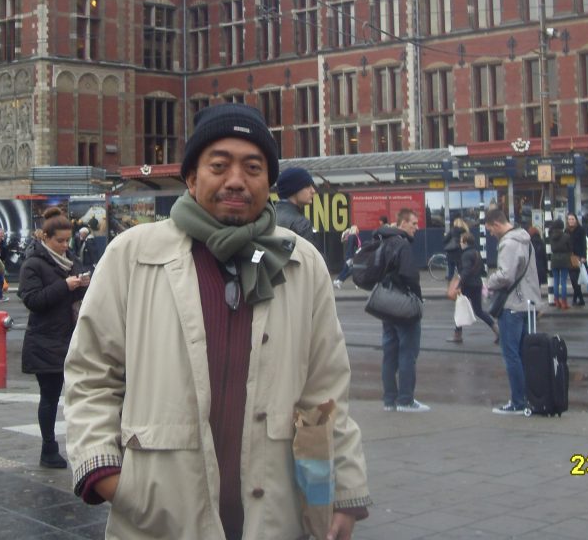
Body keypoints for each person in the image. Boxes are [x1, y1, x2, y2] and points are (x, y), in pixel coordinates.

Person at [64, 103, 371, 539]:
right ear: (192, 178)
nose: (236, 180)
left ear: (268, 181)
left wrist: (343, 492)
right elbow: (91, 373)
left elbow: (326, 391)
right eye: (219, 165)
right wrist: (109, 475)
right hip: (160, 518)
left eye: (253, 167)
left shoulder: (301, 262)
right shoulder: (133, 255)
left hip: (276, 514)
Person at [18, 207, 89, 469]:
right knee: (49, 396)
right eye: (60, 241)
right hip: (45, 341)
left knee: (82, 395)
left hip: (72, 339)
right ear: (46, 238)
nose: (65, 245)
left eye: (68, 240)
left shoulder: (71, 260)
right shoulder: (33, 264)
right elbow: (33, 300)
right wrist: (64, 286)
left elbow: (74, 298)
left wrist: (82, 285)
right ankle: (48, 449)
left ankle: (84, 446)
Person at [484, 208, 541, 414]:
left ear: (497, 224)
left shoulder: (508, 243)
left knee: (511, 354)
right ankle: (530, 398)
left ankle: (518, 402)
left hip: (512, 305)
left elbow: (505, 276)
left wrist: (489, 281)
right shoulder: (526, 240)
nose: (491, 234)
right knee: (525, 355)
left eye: (490, 230)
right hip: (528, 304)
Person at [374, 208, 429, 413]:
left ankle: (389, 400)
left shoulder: (384, 241)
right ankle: (406, 400)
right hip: (403, 304)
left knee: (389, 353)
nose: (417, 227)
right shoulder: (402, 244)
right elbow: (409, 276)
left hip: (386, 303)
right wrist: (418, 299)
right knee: (408, 352)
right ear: (402, 223)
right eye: (413, 223)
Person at [447, 232, 498, 344]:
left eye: (461, 241)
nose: (460, 244)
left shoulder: (465, 255)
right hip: (477, 284)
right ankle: (497, 331)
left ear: (465, 242)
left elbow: (466, 271)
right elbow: (483, 271)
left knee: (460, 308)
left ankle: (457, 335)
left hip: (467, 285)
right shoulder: (476, 253)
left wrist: (459, 285)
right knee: (479, 311)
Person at [274, 166, 318, 244]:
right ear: (294, 189)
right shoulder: (301, 223)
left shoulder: (266, 217)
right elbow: (307, 251)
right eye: (307, 186)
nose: (313, 191)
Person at [547, 219, 571, 309]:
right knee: (563, 282)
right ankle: (564, 302)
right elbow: (570, 248)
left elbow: (549, 230)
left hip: (554, 259)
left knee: (556, 281)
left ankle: (556, 301)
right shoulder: (566, 236)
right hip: (564, 259)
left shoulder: (551, 236)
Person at [567, 214, 588, 307]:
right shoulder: (566, 231)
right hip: (570, 257)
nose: (571, 221)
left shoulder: (581, 230)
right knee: (573, 279)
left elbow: (584, 244)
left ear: (576, 220)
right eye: (569, 219)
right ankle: (578, 299)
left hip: (578, 257)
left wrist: (583, 256)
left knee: (576, 279)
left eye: (572, 219)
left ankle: (579, 299)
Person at [333, 224, 361, 288]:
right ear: (355, 229)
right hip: (351, 256)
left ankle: (338, 280)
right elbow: (352, 247)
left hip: (349, 256)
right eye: (357, 228)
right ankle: (340, 280)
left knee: (346, 269)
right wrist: (351, 257)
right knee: (351, 270)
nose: (358, 230)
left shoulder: (350, 237)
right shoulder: (353, 237)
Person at [528, 225, 548, 299]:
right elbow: (544, 256)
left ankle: (532, 296)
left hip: (531, 266)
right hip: (540, 266)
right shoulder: (541, 242)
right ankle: (537, 295)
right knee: (538, 283)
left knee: (531, 283)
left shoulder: (528, 242)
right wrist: (546, 267)